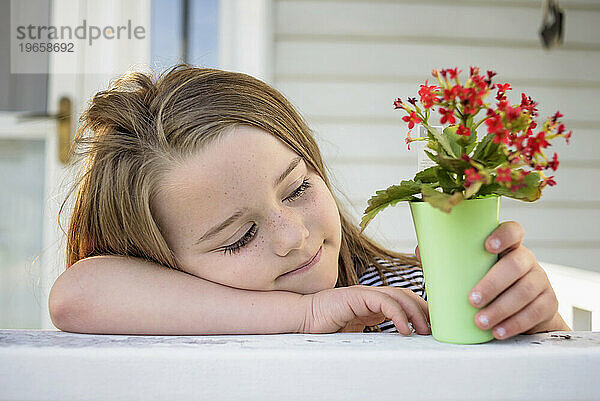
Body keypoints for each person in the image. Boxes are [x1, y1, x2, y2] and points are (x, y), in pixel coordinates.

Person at [48, 64, 571, 338]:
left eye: (297, 188)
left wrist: (539, 326)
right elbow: (77, 295)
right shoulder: (169, 318)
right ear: (157, 266)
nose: (292, 237)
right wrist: (306, 315)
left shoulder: (422, 298)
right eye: (239, 238)